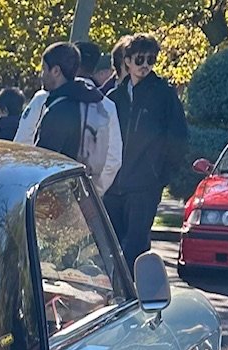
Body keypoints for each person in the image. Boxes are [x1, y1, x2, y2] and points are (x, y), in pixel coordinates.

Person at [102, 33, 187, 266]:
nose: (145, 65)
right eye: (140, 59)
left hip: (145, 185)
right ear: (127, 61)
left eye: (151, 60)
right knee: (111, 245)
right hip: (113, 184)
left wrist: (160, 176)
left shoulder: (164, 94)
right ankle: (116, 286)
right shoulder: (114, 97)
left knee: (136, 245)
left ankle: (133, 286)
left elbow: (178, 137)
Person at [75, 39, 123, 193]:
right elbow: (114, 157)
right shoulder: (107, 106)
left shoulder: (46, 99)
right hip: (89, 186)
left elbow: (25, 139)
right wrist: (96, 191)